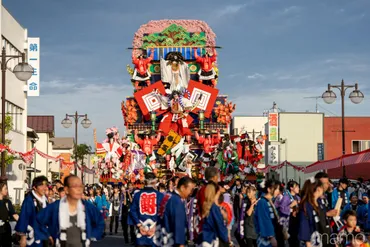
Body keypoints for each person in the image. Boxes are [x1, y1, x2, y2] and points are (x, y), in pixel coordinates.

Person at [37, 175, 104, 246]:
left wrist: (91, 235)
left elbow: (100, 222)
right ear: (66, 189)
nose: (79, 190)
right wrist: (48, 235)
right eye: (75, 187)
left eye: (81, 187)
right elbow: (38, 220)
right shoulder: (55, 207)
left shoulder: (88, 207)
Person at [154, 177, 196, 246]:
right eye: (190, 190)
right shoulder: (176, 201)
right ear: (182, 188)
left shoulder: (167, 196)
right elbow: (178, 224)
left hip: (162, 236)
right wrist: (181, 243)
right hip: (171, 240)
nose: (191, 193)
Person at [128, 172, 164, 247]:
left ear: (144, 182)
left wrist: (139, 225)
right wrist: (155, 226)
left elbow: (132, 210)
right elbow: (164, 213)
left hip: (141, 230)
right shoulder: (160, 196)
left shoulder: (138, 195)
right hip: (155, 230)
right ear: (154, 182)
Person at [16, 176, 49, 247]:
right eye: (41, 185)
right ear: (34, 187)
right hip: (33, 236)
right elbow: (24, 218)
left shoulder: (45, 200)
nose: (44, 188)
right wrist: (23, 237)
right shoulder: (29, 200)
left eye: (45, 185)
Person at [197, 182, 229, 246]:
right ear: (216, 193)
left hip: (203, 237)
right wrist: (226, 239)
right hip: (212, 239)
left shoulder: (204, 205)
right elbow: (219, 225)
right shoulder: (214, 208)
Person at [254, 179, 283, 247]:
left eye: (278, 189)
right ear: (269, 189)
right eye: (276, 189)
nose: (278, 191)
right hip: (266, 239)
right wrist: (271, 236)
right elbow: (264, 220)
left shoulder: (270, 201)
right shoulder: (262, 202)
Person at [298, 178, 327, 247]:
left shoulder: (319, 202)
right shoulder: (306, 205)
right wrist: (307, 242)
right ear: (318, 189)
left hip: (320, 236)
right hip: (311, 240)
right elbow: (304, 224)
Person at [278, 180, 300, 247]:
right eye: (296, 187)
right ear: (291, 188)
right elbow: (282, 209)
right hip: (289, 224)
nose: (298, 188)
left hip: (297, 222)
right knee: (291, 242)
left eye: (298, 187)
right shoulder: (286, 197)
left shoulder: (298, 197)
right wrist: (290, 206)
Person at [0, 182, 18, 247]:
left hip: (6, 229)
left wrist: (23, 222)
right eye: (5, 189)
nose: (7, 190)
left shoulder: (7, 202)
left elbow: (14, 215)